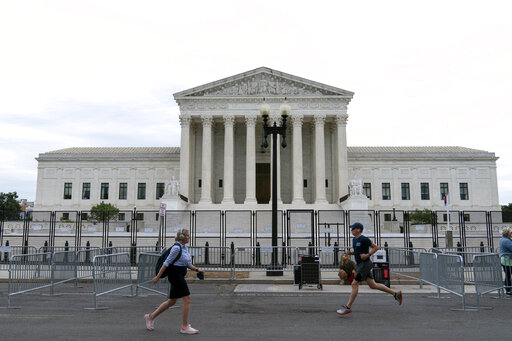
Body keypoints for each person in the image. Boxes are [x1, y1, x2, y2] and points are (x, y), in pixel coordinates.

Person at [144, 229, 205, 334]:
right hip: (175, 275)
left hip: (180, 274)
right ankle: (185, 327)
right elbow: (166, 263)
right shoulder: (176, 248)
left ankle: (150, 316)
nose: (189, 237)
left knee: (172, 301)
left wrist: (197, 269)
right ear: (182, 237)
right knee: (187, 298)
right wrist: (157, 277)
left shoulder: (184, 248)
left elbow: (187, 263)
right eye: (187, 236)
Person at [337, 222, 402, 316]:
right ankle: (396, 294)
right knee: (373, 285)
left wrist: (368, 255)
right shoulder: (354, 240)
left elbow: (376, 247)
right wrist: (350, 253)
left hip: (365, 264)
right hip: (360, 264)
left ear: (358, 230)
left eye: (353, 228)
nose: (351, 230)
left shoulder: (364, 239)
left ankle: (348, 307)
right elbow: (357, 251)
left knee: (354, 283)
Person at [499, 227, 512, 295]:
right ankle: (508, 289)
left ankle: (508, 289)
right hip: (507, 260)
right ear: (507, 234)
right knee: (508, 275)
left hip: (507, 260)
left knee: (508, 275)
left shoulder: (505, 239)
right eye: (510, 233)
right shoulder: (506, 241)